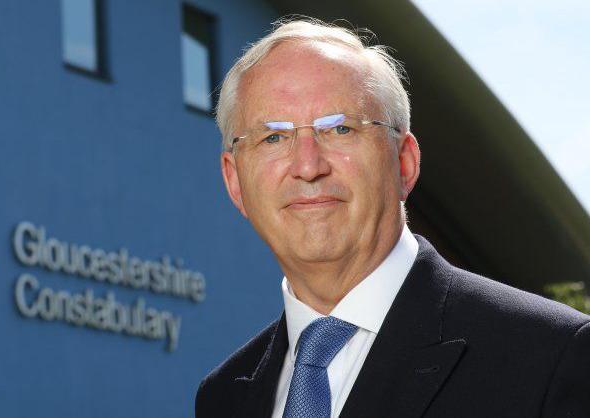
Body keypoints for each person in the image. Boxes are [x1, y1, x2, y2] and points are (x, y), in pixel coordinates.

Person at [195, 18, 590, 418]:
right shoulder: (223, 396)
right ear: (235, 182)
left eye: (341, 129)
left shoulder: (549, 356)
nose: (308, 166)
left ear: (404, 162)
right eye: (273, 137)